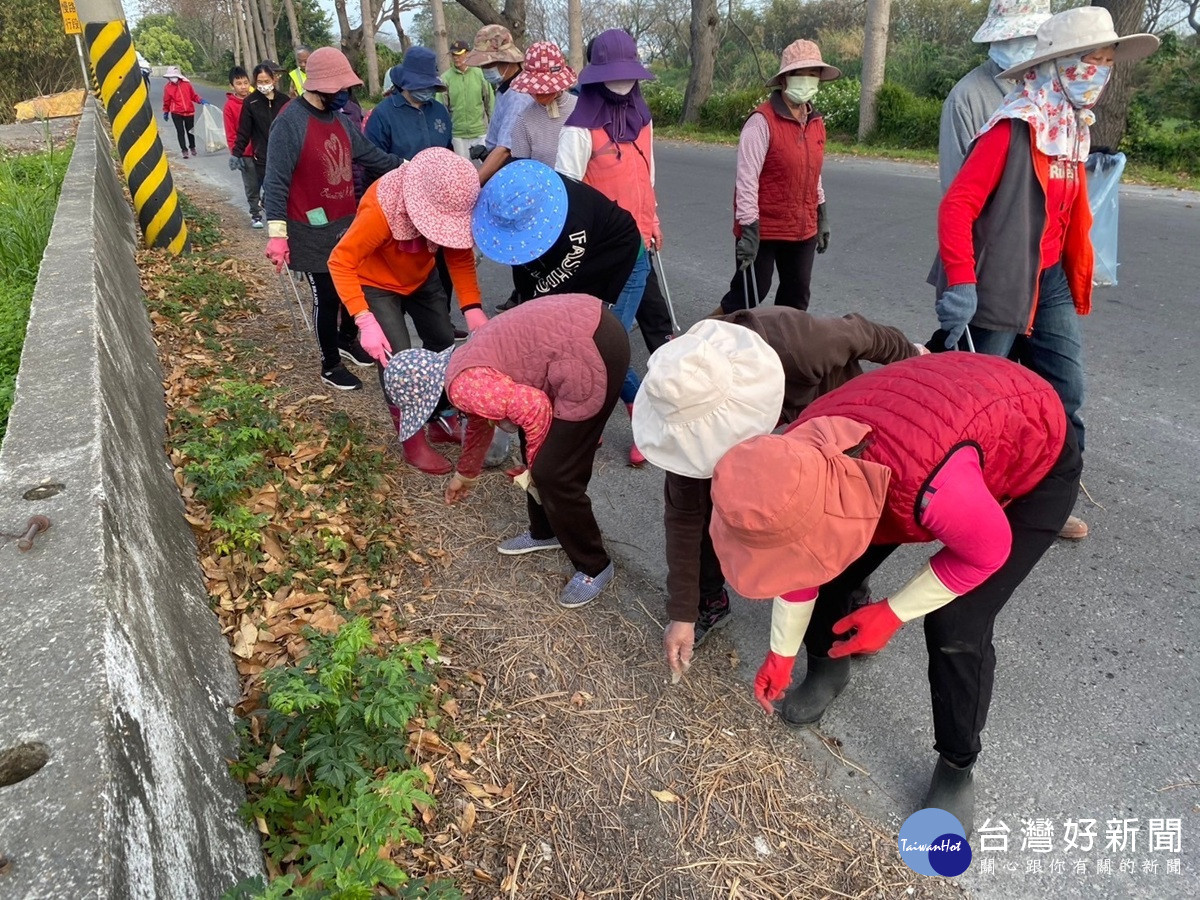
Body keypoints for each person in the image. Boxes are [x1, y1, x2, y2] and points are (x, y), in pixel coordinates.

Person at [708, 353, 1083, 834]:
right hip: (937, 428)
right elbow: (798, 562)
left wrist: (892, 612)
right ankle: (828, 666)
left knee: (957, 623)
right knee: (833, 571)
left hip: (1030, 442)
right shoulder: (791, 455)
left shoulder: (929, 488)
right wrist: (781, 653)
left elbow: (986, 552)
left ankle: (956, 765)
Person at [936, 7, 1158, 541]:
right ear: (1057, 66)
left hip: (1050, 277)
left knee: (1065, 391)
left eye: (1106, 63)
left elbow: (1067, 213)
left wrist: (1084, 264)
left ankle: (1044, 505)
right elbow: (956, 206)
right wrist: (961, 282)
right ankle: (947, 502)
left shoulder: (1073, 129)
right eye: (1089, 61)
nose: (1098, 73)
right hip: (998, 278)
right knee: (974, 402)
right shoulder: (1013, 128)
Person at [631, 309, 922, 674]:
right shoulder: (681, 401)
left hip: (827, 428)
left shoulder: (799, 343)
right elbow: (684, 517)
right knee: (707, 511)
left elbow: (863, 333)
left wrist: (915, 359)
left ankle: (850, 595)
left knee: (843, 514)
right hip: (779, 434)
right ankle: (709, 601)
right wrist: (682, 613)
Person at [383, 294, 629, 609]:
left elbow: (535, 407)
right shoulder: (457, 366)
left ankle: (594, 564)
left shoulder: (462, 385)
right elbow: (482, 418)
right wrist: (467, 473)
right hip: (589, 325)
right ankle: (545, 531)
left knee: (553, 472)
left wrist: (536, 469)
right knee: (536, 452)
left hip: (592, 350)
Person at [328, 148, 488, 474]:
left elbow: (458, 254)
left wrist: (472, 308)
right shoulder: (380, 209)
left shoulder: (449, 198)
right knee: (397, 359)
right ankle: (411, 439)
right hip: (376, 283)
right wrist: (363, 318)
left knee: (444, 341)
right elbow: (340, 261)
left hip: (420, 277)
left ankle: (441, 418)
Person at [263, 47, 402, 390]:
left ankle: (347, 338)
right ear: (318, 86)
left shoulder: (340, 120)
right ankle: (330, 363)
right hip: (308, 230)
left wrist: (407, 169)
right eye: (338, 89)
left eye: (346, 89)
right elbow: (276, 181)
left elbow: (371, 156)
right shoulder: (289, 123)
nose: (344, 95)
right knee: (326, 296)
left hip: (345, 222)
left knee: (352, 287)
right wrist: (277, 235)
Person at [555, 29, 674, 359]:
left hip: (640, 238)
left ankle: (670, 376)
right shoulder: (579, 129)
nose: (622, 82)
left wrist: (653, 222)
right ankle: (606, 383)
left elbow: (647, 177)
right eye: (613, 76)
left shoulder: (643, 119)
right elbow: (567, 194)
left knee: (653, 316)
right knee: (608, 332)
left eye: (627, 75)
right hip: (603, 247)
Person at [717, 40, 839, 314]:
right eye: (801, 73)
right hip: (764, 227)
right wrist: (748, 230)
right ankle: (702, 336)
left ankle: (780, 352)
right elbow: (746, 179)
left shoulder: (815, 122)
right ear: (784, 79)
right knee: (749, 295)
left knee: (796, 300)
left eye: (813, 74)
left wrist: (822, 214)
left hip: (802, 226)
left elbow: (812, 172)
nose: (807, 80)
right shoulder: (761, 122)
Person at [938, 0, 1052, 192]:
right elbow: (956, 191)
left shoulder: (1055, 88)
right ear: (996, 39)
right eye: (1016, 38)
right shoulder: (966, 98)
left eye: (1033, 37)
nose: (1025, 43)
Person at [464, 25, 536, 184]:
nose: (485, 70)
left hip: (515, 171)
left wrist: (473, 184)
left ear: (507, 61)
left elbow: (504, 150)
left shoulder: (519, 96)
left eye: (489, 65)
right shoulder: (505, 89)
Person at [365, 48, 453, 161]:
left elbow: (449, 150)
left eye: (429, 85)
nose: (426, 89)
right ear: (405, 81)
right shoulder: (383, 114)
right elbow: (374, 159)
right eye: (421, 85)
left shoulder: (439, 110)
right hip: (396, 177)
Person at [508, 42, 578, 167]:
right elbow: (521, 169)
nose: (541, 92)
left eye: (547, 88)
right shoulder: (524, 120)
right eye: (537, 89)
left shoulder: (581, 108)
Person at [231, 62, 289, 211]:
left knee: (286, 190)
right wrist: (236, 153)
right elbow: (244, 131)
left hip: (284, 154)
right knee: (271, 189)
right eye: (260, 82)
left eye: (267, 81)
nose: (264, 85)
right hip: (263, 157)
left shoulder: (285, 101)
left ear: (274, 80)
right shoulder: (251, 102)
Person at [224, 66, 262, 227]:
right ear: (232, 86)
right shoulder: (230, 107)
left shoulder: (256, 101)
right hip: (245, 154)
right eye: (238, 83)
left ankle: (268, 206)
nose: (243, 86)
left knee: (270, 183)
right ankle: (256, 214)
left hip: (262, 151)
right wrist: (236, 154)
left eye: (245, 82)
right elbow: (231, 133)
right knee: (252, 186)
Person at [442, 39, 493, 158]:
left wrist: (493, 128)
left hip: (480, 132)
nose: (456, 58)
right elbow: (442, 107)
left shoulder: (480, 74)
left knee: (485, 170)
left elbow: (490, 102)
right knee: (462, 172)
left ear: (467, 53)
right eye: (454, 55)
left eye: (459, 54)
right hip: (458, 135)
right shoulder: (445, 78)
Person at [161, 65, 206, 159]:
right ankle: (184, 150)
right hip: (176, 112)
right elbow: (167, 101)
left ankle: (192, 147)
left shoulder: (187, 84)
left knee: (190, 131)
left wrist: (201, 100)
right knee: (180, 131)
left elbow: (193, 96)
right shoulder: (167, 88)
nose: (172, 78)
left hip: (189, 112)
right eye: (170, 77)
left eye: (174, 76)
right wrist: (166, 111)